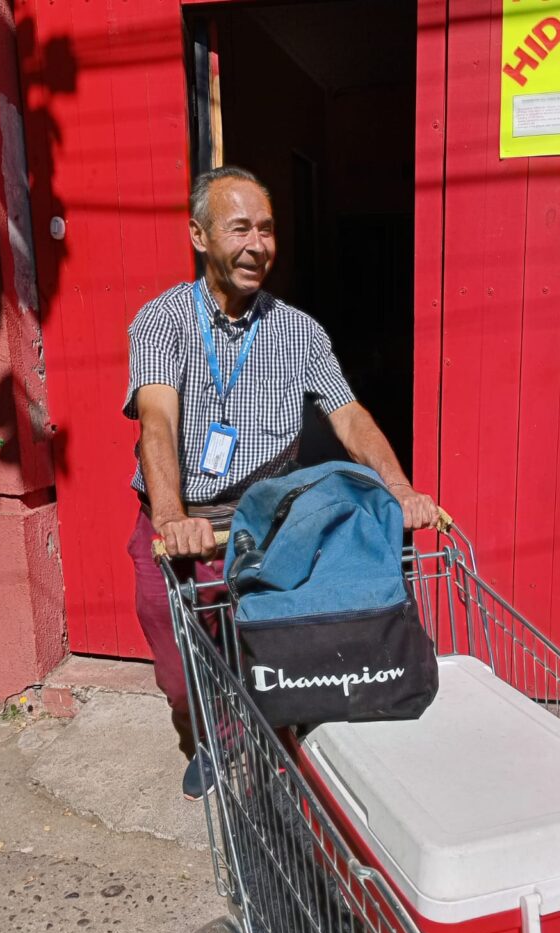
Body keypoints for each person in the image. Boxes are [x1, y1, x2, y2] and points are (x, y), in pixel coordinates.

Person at [123, 165, 439, 799]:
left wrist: (399, 489)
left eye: (266, 229)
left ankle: (257, 733)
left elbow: (349, 416)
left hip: (268, 518)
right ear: (199, 236)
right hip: (182, 516)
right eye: (239, 228)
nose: (257, 245)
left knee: (277, 644)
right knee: (180, 671)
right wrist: (170, 517)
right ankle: (205, 735)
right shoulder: (161, 322)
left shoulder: (298, 332)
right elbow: (156, 422)